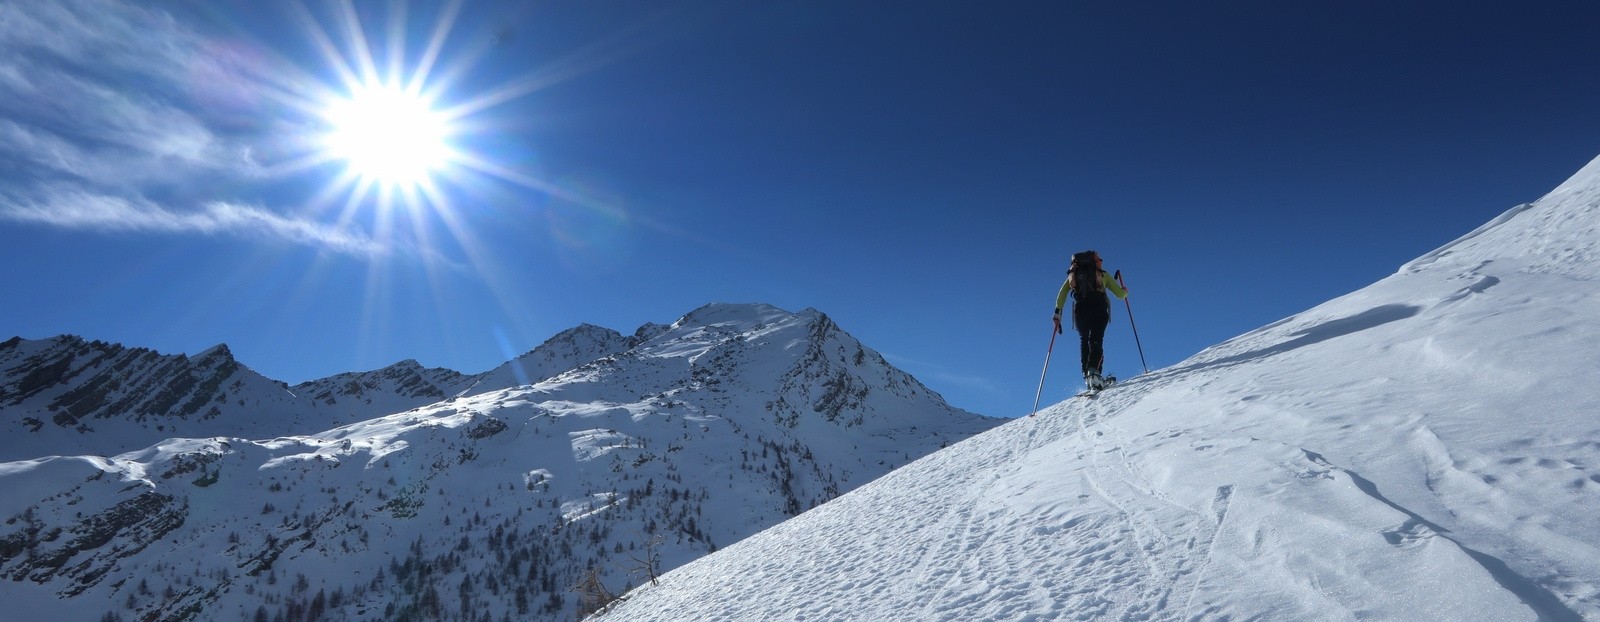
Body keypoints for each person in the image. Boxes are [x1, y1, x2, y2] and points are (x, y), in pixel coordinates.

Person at [1053, 250, 1128, 391]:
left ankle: (1087, 375)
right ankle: (1094, 372)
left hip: (1080, 311)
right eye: (1099, 258)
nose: (1102, 260)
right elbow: (1120, 295)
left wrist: (1057, 314)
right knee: (1096, 339)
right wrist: (1125, 291)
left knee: (1084, 340)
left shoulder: (1073, 276)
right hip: (1099, 308)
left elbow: (1062, 294)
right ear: (1095, 261)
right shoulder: (1103, 275)